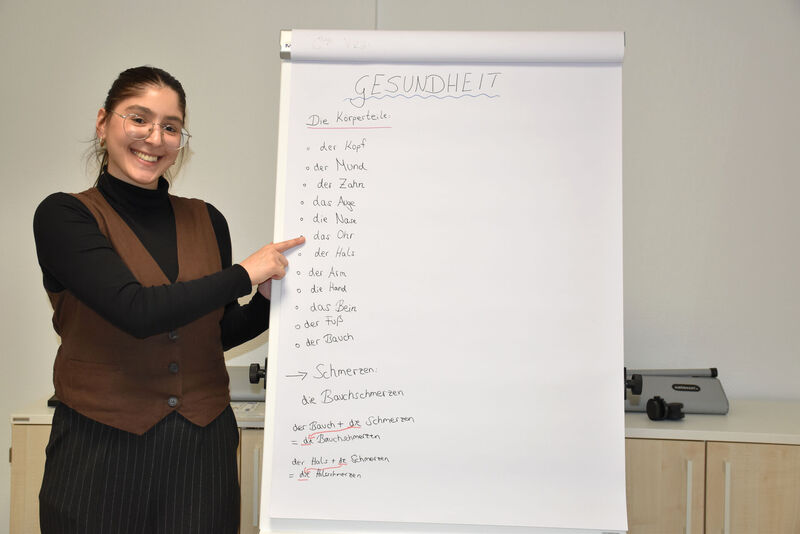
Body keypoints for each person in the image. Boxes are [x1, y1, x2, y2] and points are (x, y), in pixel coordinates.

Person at [32, 66, 304, 534]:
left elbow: (215, 333)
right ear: (103, 123)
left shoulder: (208, 219)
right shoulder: (65, 215)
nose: (154, 138)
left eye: (171, 127)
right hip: (99, 451)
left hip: (202, 453)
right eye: (139, 119)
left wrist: (263, 301)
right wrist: (243, 274)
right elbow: (134, 310)